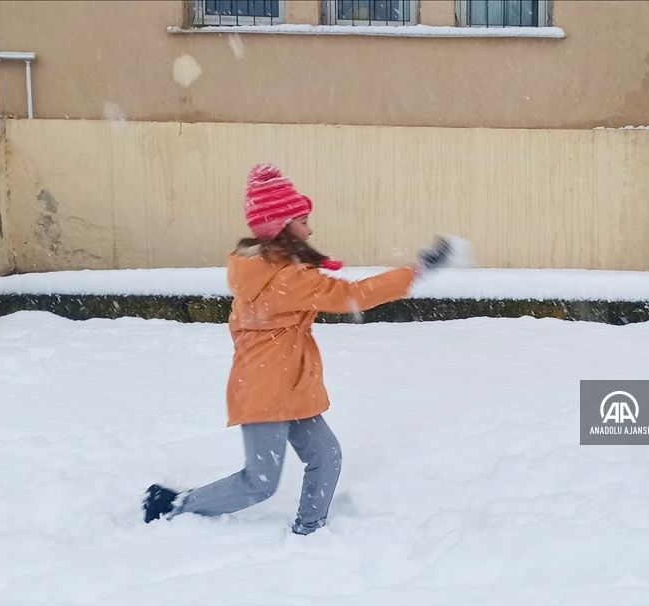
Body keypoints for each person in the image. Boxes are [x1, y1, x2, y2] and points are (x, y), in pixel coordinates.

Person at [143, 164, 457, 535]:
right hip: (267, 388)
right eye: (303, 220)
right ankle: (175, 506)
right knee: (260, 481)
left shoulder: (263, 268)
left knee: (326, 456)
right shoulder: (284, 278)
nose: (309, 229)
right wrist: (415, 271)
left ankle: (311, 529)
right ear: (282, 226)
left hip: (284, 382)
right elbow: (350, 296)